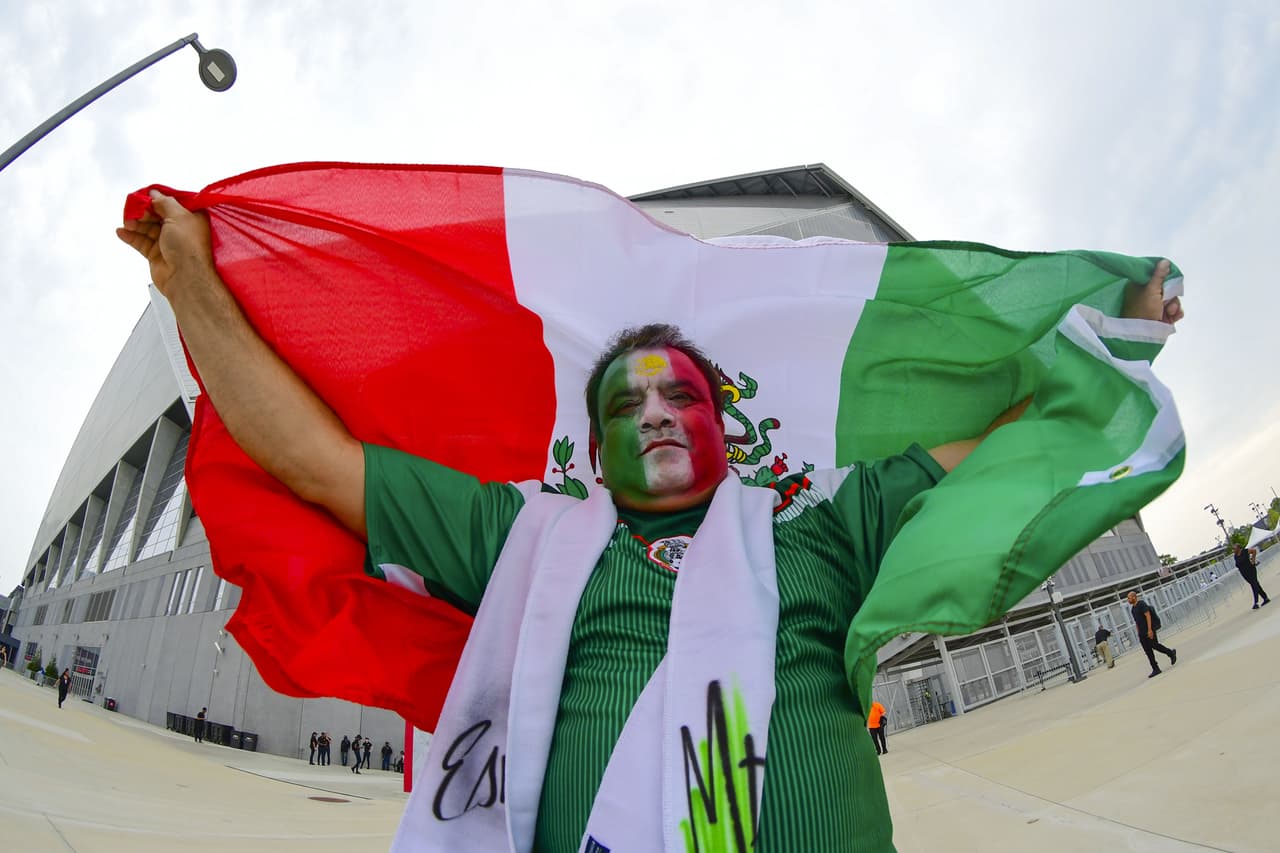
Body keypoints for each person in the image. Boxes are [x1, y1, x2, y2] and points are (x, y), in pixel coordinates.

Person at [118, 191, 1181, 852]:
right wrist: (195, 287)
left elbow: (1002, 430)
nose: (656, 414)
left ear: (727, 426)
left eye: (679, 396)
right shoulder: (519, 542)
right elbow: (310, 461)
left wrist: (1109, 331)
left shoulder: (820, 531)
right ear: (592, 451)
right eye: (625, 404)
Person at [1127, 590, 1176, 678]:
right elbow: (1137, 622)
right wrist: (1138, 633)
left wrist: (1150, 630)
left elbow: (1148, 616)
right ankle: (1155, 668)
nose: (1128, 600)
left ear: (1134, 597)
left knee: (1155, 645)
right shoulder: (1133, 609)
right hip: (1141, 634)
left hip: (1148, 630)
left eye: (1129, 598)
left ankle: (1171, 653)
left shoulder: (1141, 604)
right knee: (1148, 652)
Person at [1233, 543, 1270, 609]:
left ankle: (1256, 602)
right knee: (1256, 584)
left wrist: (1253, 561)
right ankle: (1265, 598)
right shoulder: (1235, 556)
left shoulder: (1245, 551)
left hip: (1251, 569)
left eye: (1234, 548)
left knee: (1254, 584)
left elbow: (1254, 551)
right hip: (1244, 573)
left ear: (1239, 548)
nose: (1233, 550)